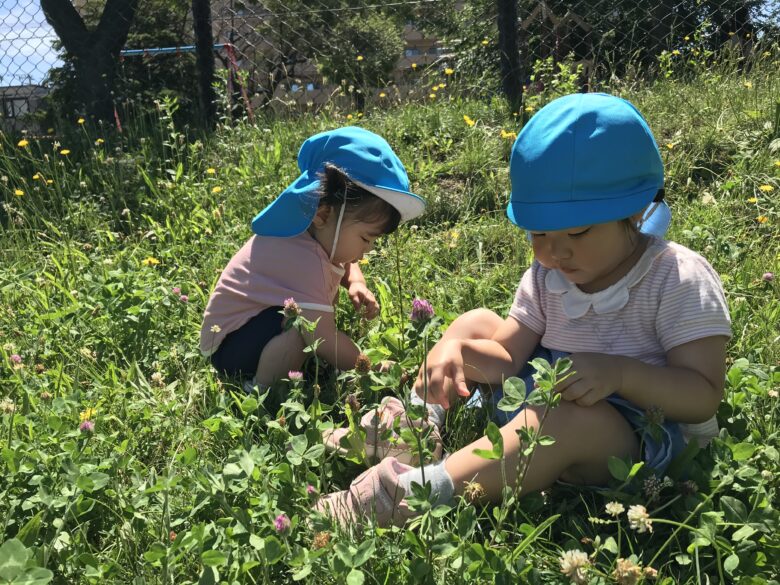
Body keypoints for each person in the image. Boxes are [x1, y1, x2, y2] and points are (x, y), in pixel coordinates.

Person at [316, 93, 731, 527]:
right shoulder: (548, 274)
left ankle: (421, 491)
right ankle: (416, 425)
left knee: (567, 419)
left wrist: (621, 374)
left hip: (629, 433)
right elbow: (510, 357)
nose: (553, 252)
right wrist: (454, 351)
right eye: (538, 234)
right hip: (541, 394)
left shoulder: (675, 276)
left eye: (577, 231)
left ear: (635, 211)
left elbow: (702, 396)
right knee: (473, 323)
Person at [200, 127, 426, 389]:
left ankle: (292, 364)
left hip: (254, 326)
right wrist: (373, 369)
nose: (367, 250)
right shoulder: (302, 262)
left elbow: (347, 263)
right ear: (323, 213)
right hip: (231, 346)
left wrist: (356, 283)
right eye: (366, 239)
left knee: (303, 322)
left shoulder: (311, 232)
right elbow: (327, 340)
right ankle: (261, 388)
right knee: (300, 327)